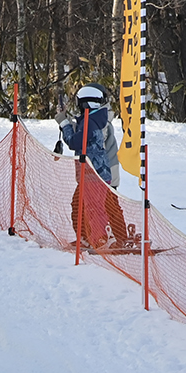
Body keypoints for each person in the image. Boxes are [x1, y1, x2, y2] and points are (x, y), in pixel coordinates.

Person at [57, 84, 132, 249]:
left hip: (98, 172)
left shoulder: (95, 121)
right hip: (94, 171)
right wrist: (66, 121)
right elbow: (82, 135)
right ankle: (86, 237)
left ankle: (106, 238)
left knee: (101, 206)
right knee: (79, 204)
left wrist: (64, 124)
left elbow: (77, 141)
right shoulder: (94, 118)